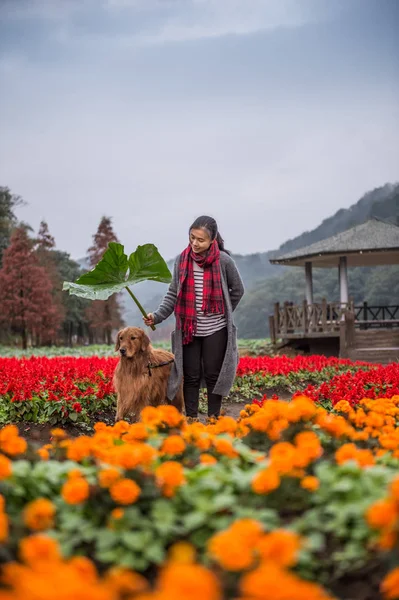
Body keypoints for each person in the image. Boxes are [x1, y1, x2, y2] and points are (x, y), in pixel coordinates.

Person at [143, 215, 244, 419]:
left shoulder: (224, 261)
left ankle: (214, 418)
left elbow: (238, 290)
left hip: (216, 329)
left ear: (212, 240)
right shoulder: (182, 260)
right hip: (189, 328)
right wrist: (157, 316)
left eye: (200, 240)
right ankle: (191, 418)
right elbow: (173, 293)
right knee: (190, 375)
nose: (195, 243)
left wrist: (223, 310)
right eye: (192, 238)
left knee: (214, 374)